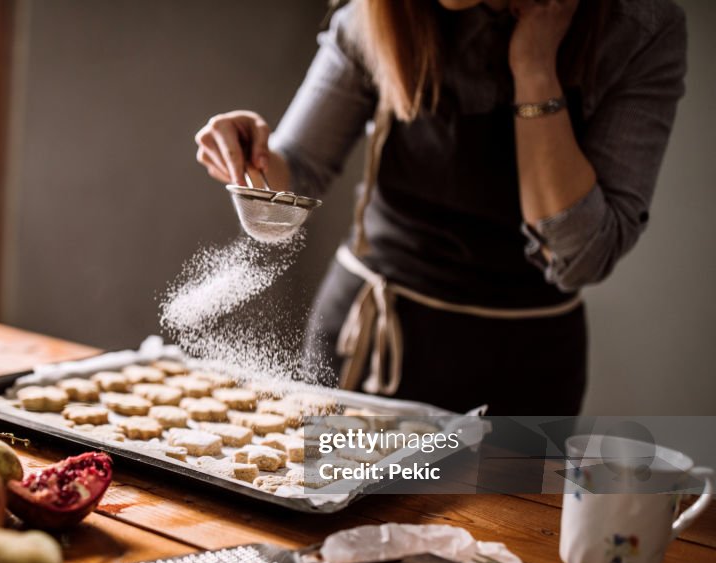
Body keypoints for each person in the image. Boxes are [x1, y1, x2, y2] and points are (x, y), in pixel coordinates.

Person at [193, 0, 686, 414]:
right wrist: (253, 160)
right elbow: (297, 171)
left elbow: (582, 257)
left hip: (522, 371)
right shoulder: (380, 12)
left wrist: (535, 67)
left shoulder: (636, 29)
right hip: (368, 343)